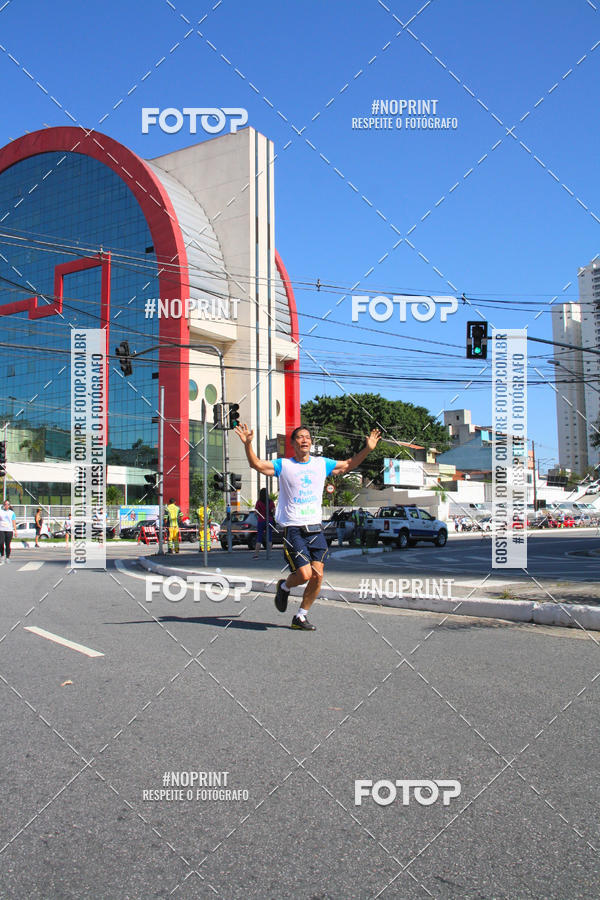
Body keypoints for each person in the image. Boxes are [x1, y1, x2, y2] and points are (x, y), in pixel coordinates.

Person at [236, 422, 381, 631]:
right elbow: (257, 465)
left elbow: (348, 464)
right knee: (304, 575)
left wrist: (368, 449)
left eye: (307, 437)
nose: (304, 440)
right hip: (293, 528)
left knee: (318, 575)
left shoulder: (322, 464)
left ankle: (301, 616)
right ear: (293, 444)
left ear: (311, 442)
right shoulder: (284, 465)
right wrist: (248, 444)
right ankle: (284, 586)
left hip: (315, 528)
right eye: (300, 437)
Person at [253, 487, 275, 557]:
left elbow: (255, 512)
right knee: (269, 537)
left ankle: (256, 554)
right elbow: (274, 511)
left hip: (261, 521)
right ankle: (269, 554)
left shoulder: (259, 502)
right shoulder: (270, 501)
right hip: (269, 520)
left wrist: (260, 514)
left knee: (259, 537)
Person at [0, 499, 17, 564]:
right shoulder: (1, 512)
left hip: (9, 530)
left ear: (9, 506)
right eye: (5, 504)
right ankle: (2, 556)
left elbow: (14, 522)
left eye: (8, 504)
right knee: (1, 543)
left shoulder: (12, 513)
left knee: (8, 544)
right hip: (1, 529)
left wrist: (15, 531)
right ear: (3, 505)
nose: (6, 506)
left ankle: (7, 557)